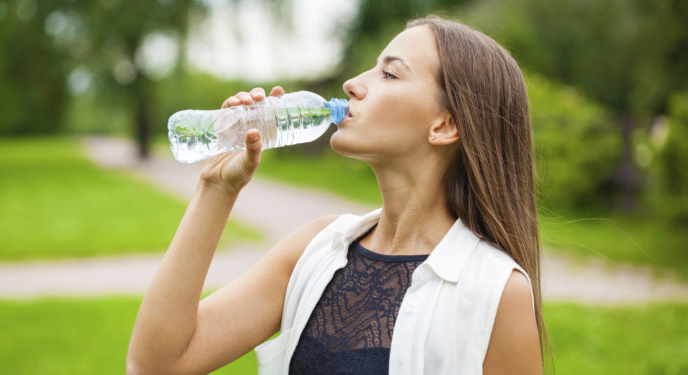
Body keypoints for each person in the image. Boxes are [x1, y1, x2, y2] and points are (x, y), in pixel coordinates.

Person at [127, 14, 551, 375]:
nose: (351, 84)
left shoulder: (496, 292)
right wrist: (216, 188)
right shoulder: (316, 249)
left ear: (444, 125)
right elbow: (157, 364)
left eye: (389, 73)